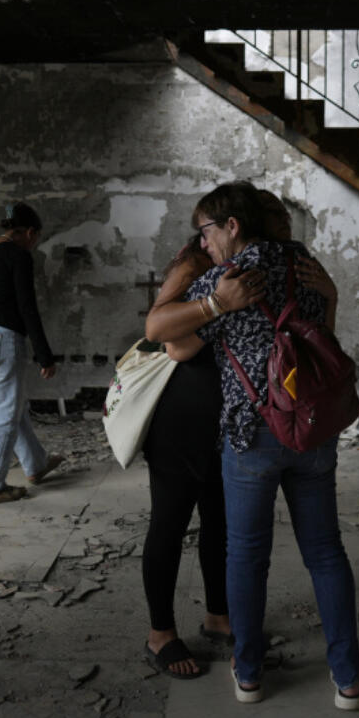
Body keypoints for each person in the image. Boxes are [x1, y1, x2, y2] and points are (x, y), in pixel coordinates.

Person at [150, 182, 359, 710]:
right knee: (327, 554)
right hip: (313, 432)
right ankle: (350, 680)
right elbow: (322, 341)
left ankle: (248, 676)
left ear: (233, 226)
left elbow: (166, 337)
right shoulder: (310, 268)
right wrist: (329, 298)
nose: (206, 243)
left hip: (252, 436)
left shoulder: (233, 277)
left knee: (246, 556)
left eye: (208, 232)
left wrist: (213, 304)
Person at [137, 230, 266, 679]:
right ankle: (160, 634)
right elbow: (170, 339)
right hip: (179, 419)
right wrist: (219, 309)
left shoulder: (249, 267)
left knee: (221, 524)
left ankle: (218, 616)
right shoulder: (195, 263)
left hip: (224, 420)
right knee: (169, 525)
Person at [0, 201, 64, 505]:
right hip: (1, 338)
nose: (33, 243)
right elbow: (27, 308)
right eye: (35, 238)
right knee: (5, 412)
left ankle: (35, 464)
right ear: (30, 232)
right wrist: (44, 355)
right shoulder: (18, 256)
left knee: (10, 404)